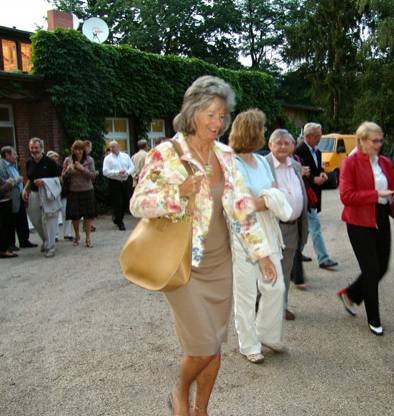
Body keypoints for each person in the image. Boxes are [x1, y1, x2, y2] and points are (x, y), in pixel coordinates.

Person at [130, 76, 277, 416]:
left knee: (215, 348)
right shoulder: (166, 152)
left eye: (222, 115)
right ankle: (179, 391)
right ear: (193, 111)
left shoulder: (225, 155)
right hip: (182, 264)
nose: (217, 122)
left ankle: (201, 410)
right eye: (210, 114)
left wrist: (262, 253)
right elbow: (138, 202)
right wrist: (178, 193)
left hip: (218, 263)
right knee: (203, 344)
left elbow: (240, 206)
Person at [229, 110, 288, 363]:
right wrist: (266, 199)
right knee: (246, 292)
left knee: (276, 286)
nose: (265, 133)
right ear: (251, 132)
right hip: (244, 231)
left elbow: (270, 194)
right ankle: (248, 343)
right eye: (262, 129)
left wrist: (262, 199)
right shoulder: (232, 164)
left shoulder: (262, 161)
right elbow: (241, 206)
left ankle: (267, 333)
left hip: (268, 228)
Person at [337, 121, 394, 336]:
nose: (378, 144)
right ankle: (374, 319)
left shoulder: (385, 162)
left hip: (380, 216)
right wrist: (376, 194)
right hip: (359, 220)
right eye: (374, 140)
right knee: (371, 270)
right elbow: (346, 196)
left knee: (383, 267)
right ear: (362, 140)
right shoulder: (350, 163)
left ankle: (350, 294)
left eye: (381, 140)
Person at [266, 129, 309, 321]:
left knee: (286, 269)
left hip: (293, 227)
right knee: (268, 270)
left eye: (287, 143)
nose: (283, 147)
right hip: (272, 227)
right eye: (278, 143)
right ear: (270, 145)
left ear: (292, 146)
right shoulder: (263, 165)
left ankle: (281, 307)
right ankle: (264, 308)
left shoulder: (296, 166)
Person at [294, 122, 338, 269]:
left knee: (305, 229)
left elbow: (317, 169)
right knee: (315, 227)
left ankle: (296, 254)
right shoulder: (298, 151)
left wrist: (323, 174)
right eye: (318, 135)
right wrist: (313, 179)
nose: (320, 138)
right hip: (305, 196)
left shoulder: (317, 152)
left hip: (314, 196)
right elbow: (299, 173)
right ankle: (323, 258)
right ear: (308, 136)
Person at [22, 138, 61, 258]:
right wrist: (25, 189)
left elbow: (60, 179)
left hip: (48, 194)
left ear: (41, 148)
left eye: (36, 148)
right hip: (34, 193)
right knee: (35, 219)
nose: (34, 150)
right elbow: (30, 178)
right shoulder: (29, 162)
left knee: (50, 219)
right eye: (32, 148)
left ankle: (51, 246)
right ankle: (46, 240)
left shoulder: (49, 162)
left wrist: (44, 181)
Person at [0, 146, 37, 250]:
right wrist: (17, 180)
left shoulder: (12, 165)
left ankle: (24, 240)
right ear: (7, 155)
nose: (16, 156)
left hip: (19, 196)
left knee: (22, 219)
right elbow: (5, 182)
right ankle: (11, 244)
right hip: (9, 198)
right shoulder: (1, 166)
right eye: (14, 154)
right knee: (11, 221)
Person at [62, 140, 97, 248]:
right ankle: (77, 235)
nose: (78, 152)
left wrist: (82, 169)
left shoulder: (89, 160)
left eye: (80, 149)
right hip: (73, 192)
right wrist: (68, 170)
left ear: (84, 150)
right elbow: (62, 177)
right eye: (76, 149)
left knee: (88, 216)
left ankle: (88, 238)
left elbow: (93, 176)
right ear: (73, 150)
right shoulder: (68, 160)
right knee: (75, 217)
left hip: (87, 191)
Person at [103, 141, 134, 230]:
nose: (112, 149)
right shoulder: (108, 158)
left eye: (113, 147)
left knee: (125, 201)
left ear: (118, 147)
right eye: (110, 147)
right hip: (114, 182)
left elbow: (132, 167)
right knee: (118, 202)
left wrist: (127, 173)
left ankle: (117, 217)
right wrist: (117, 173)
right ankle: (120, 223)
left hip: (125, 181)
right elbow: (105, 172)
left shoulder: (125, 156)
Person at [46, 150, 73, 241]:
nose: (55, 161)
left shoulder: (60, 167)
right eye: (53, 159)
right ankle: (55, 235)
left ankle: (67, 233)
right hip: (53, 194)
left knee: (66, 213)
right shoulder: (46, 169)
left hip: (63, 193)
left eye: (56, 159)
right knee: (55, 215)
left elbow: (64, 180)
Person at [0, 176, 17, 258]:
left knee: (6, 227)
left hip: (5, 202)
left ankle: (5, 248)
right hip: (2, 203)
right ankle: (3, 250)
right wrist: (8, 184)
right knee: (3, 227)